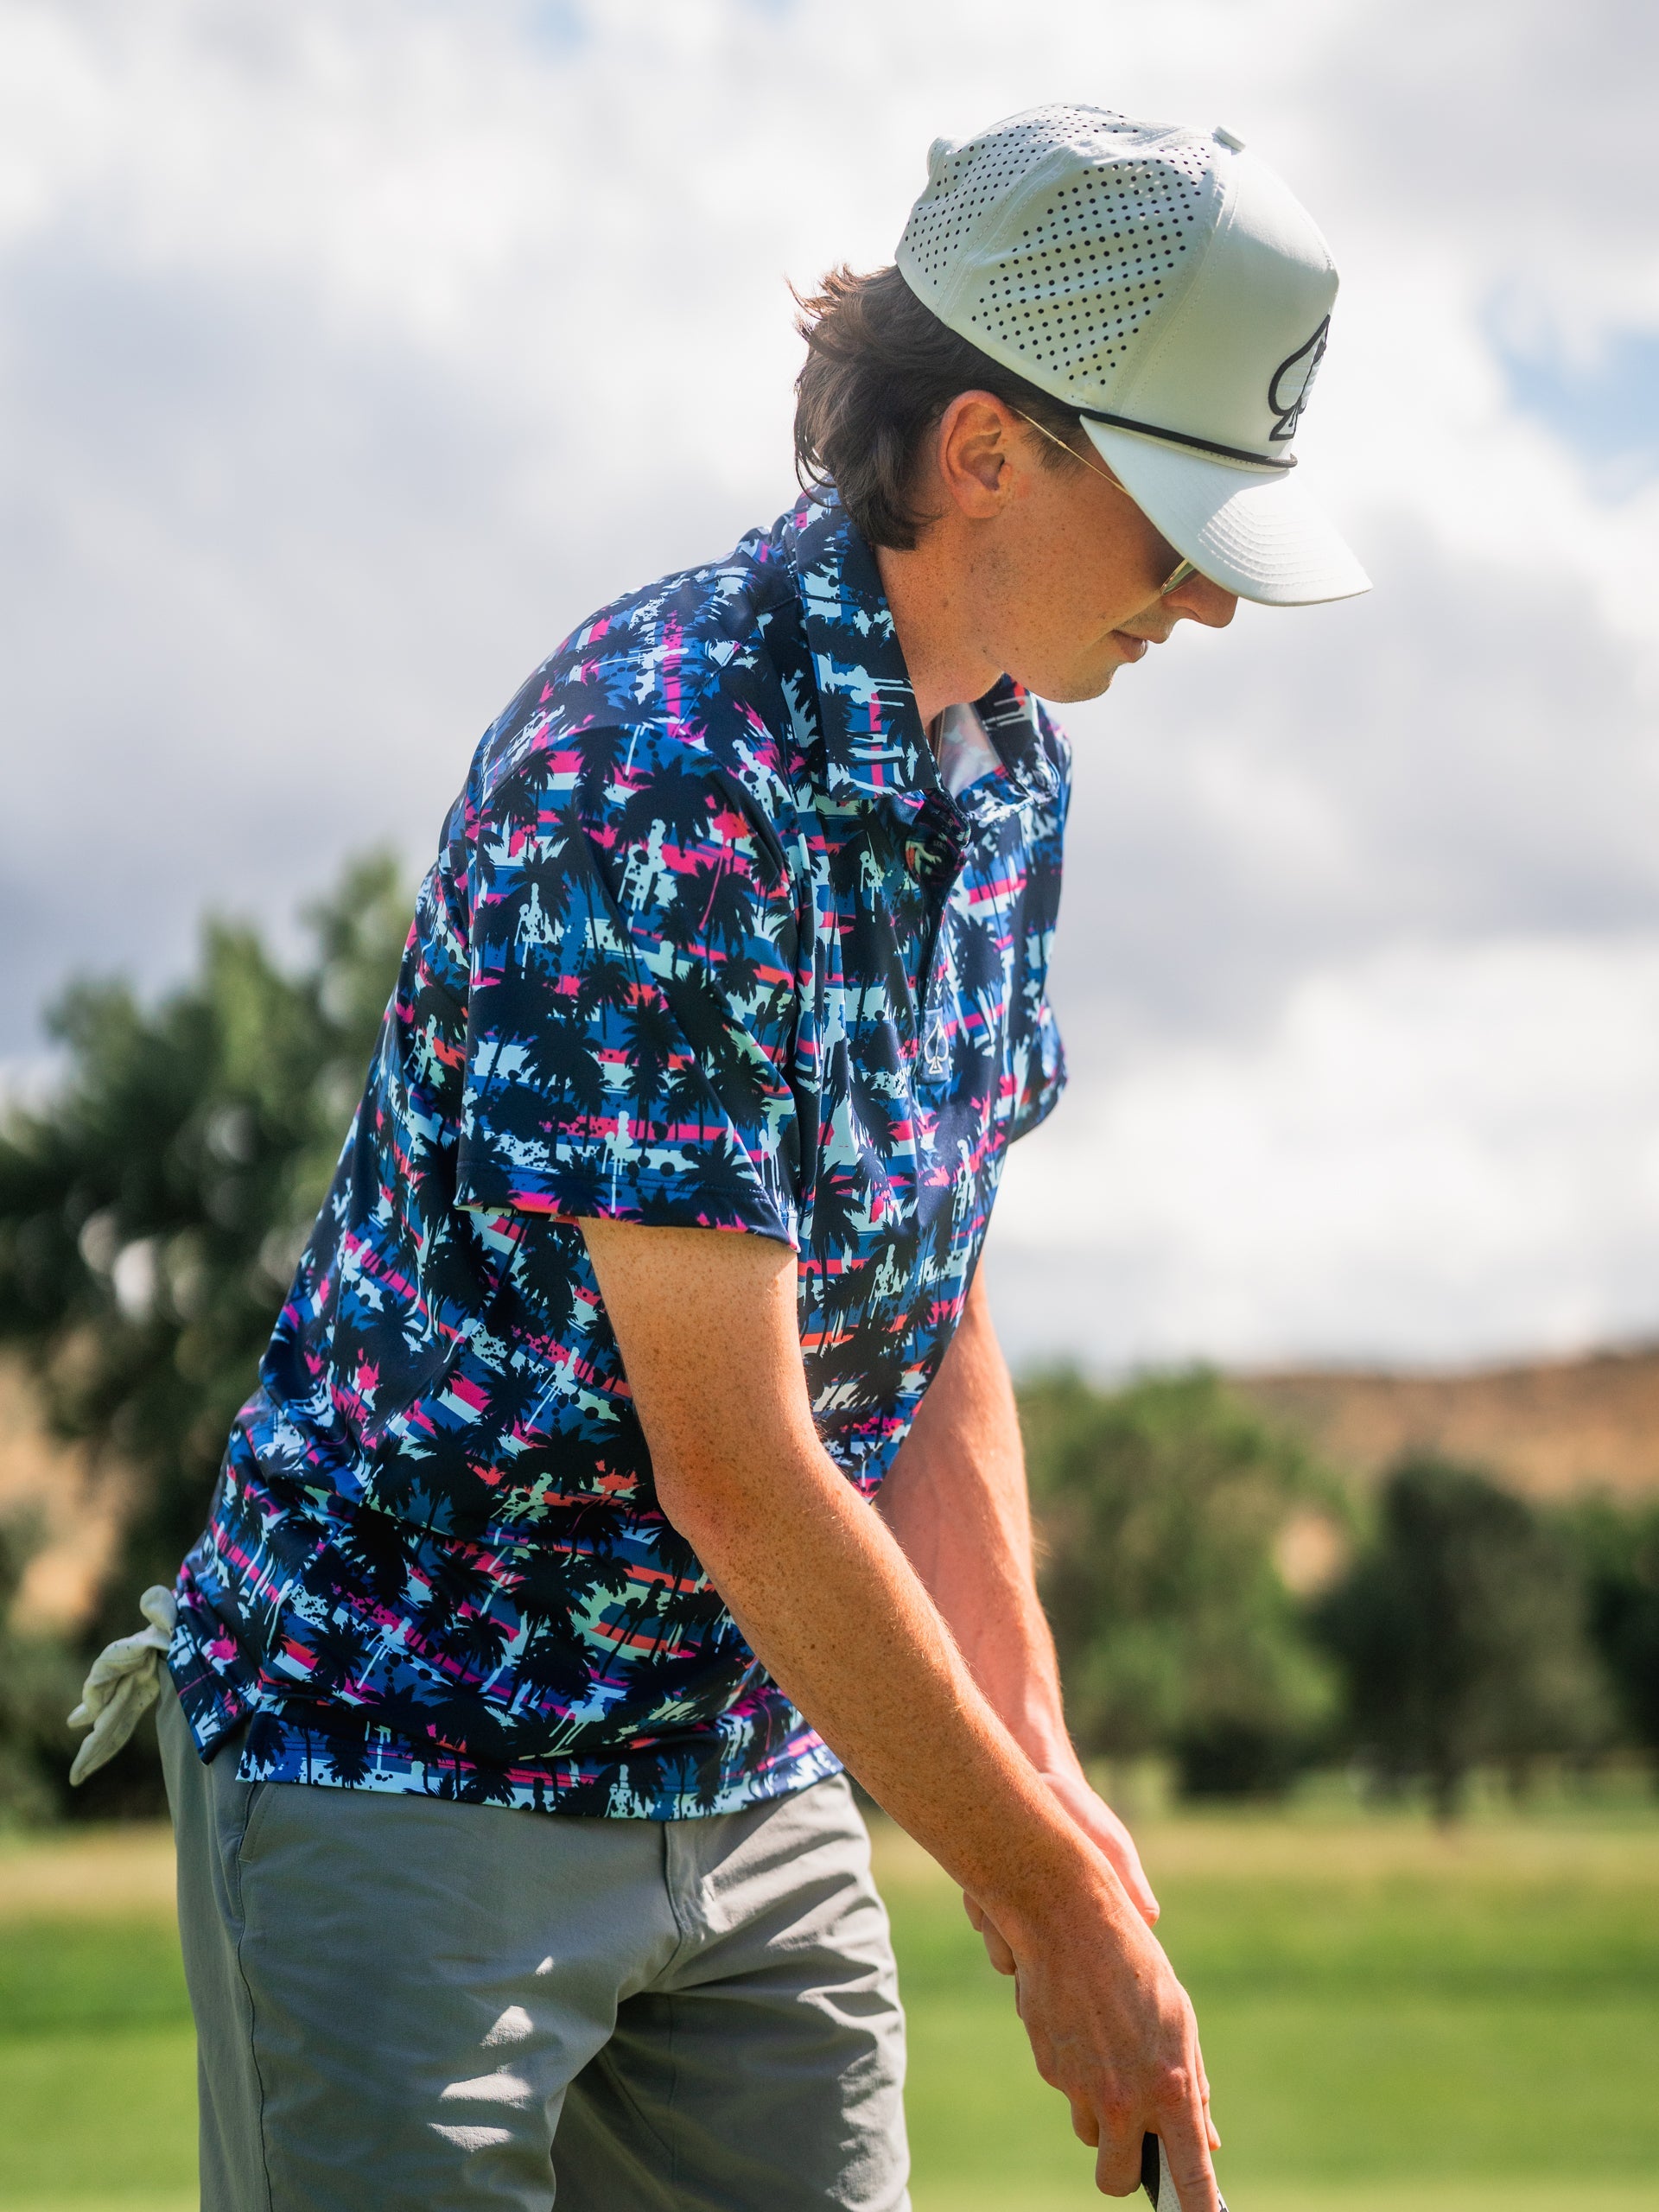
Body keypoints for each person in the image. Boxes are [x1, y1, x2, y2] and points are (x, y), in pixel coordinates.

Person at [77, 101, 1367, 2212]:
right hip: (407, 1759)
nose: (1209, 607)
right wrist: (1042, 1904)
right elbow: (742, 1459)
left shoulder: (1009, 769)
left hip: (746, 1765)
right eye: (1178, 523)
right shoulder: (666, 762)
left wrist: (1033, 1767)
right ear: (983, 455)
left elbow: (922, 1314)